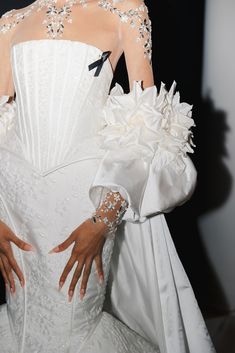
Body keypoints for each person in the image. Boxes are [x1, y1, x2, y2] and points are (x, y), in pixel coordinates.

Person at [0, 0, 215, 352]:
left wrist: (104, 219)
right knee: (22, 313)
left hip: (85, 199)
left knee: (72, 319)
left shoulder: (126, 12)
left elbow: (147, 125)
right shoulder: (11, 22)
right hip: (15, 200)